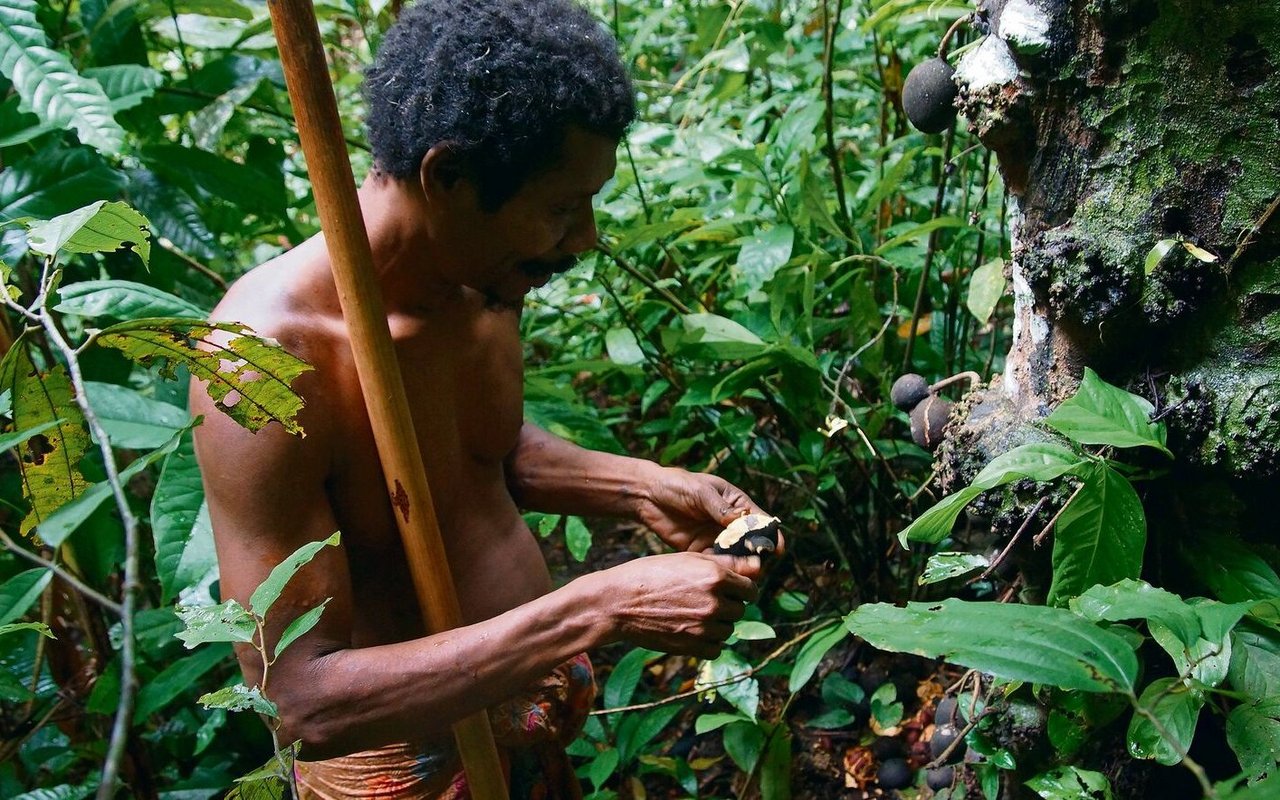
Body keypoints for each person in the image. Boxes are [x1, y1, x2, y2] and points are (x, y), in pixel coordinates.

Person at [191, 1, 777, 797]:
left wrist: (638, 488)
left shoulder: (483, 275)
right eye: (563, 208)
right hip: (411, 769)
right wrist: (593, 610)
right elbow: (296, 699)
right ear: (448, 178)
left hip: (526, 711)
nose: (587, 239)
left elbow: (477, 449)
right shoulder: (262, 365)